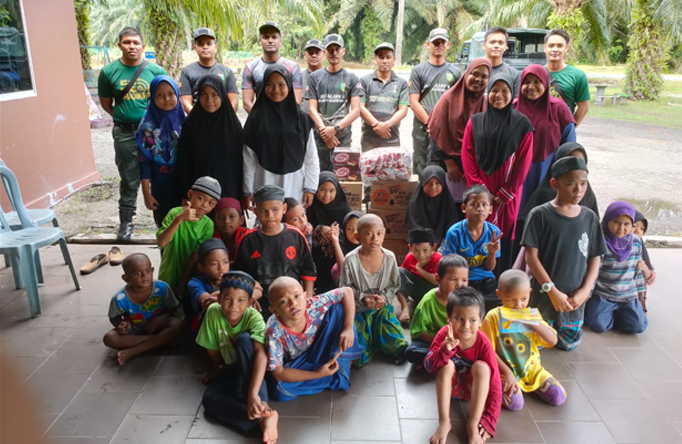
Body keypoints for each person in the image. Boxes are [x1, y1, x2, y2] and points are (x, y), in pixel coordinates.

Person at [522, 156, 606, 351]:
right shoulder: (539, 215)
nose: (579, 190)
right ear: (554, 184)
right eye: (571, 184)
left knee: (568, 345)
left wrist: (585, 290)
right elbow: (531, 257)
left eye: (583, 184)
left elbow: (595, 256)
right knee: (537, 344)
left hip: (574, 299)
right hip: (545, 295)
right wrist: (552, 291)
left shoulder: (589, 217)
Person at [98, 27, 166, 240]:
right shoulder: (109, 72)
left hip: (152, 132)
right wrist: (127, 117)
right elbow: (108, 105)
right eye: (127, 42)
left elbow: (164, 101)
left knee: (160, 173)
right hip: (124, 133)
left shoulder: (156, 71)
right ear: (120, 45)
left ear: (143, 46)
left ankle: (163, 220)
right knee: (129, 178)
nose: (132, 46)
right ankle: (126, 223)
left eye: (136, 43)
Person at [461, 73, 534, 272]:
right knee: (477, 227)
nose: (498, 95)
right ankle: (476, 280)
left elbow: (523, 162)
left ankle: (501, 283)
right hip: (480, 191)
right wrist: (479, 189)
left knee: (503, 233)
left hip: (507, 195)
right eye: (494, 90)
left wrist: (506, 192)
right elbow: (467, 155)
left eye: (504, 91)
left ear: (512, 94)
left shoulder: (523, 124)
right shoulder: (475, 122)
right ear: (487, 92)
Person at [197, 271, 278, 444]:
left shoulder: (254, 317)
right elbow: (211, 348)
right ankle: (263, 418)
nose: (234, 306)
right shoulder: (213, 312)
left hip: (253, 369)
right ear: (219, 299)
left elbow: (261, 355)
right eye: (228, 299)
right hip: (231, 370)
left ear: (250, 302)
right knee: (209, 399)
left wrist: (254, 393)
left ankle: (260, 403)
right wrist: (217, 369)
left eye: (241, 300)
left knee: (244, 340)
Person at [424, 287, 501, 444]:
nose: (466, 326)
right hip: (449, 388)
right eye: (459, 319)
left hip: (473, 392)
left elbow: (495, 383)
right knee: (446, 366)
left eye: (473, 320)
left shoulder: (484, 343)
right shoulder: (444, 334)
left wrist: (489, 420)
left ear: (481, 320)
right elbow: (429, 366)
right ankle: (444, 422)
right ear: (449, 318)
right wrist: (445, 350)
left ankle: (472, 425)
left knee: (483, 368)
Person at [265, 277, 362, 401]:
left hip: (320, 346)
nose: (293, 304)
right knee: (280, 389)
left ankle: (338, 366)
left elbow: (346, 292)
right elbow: (279, 373)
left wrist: (348, 328)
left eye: (297, 296)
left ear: (305, 296)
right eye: (283, 301)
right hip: (300, 362)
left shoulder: (314, 304)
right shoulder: (274, 332)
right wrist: (316, 374)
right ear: (274, 310)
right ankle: (333, 373)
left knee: (338, 309)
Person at [481, 269, 566, 411]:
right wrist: (507, 373)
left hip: (532, 370)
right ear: (499, 295)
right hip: (504, 372)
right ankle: (495, 385)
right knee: (515, 404)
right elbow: (487, 350)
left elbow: (552, 341)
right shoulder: (493, 317)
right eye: (511, 300)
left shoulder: (532, 316)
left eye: (524, 299)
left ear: (530, 293)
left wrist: (535, 325)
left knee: (559, 396)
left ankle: (529, 386)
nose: (518, 305)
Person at [242, 65, 320, 208]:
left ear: (289, 86)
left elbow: (311, 156)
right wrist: (247, 190)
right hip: (264, 180)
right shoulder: (256, 119)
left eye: (281, 85)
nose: (276, 90)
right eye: (270, 84)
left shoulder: (301, 118)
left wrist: (310, 187)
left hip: (295, 183)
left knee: (292, 221)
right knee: (267, 223)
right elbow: (248, 159)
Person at [233, 185, 316, 317]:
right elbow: (240, 275)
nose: (270, 216)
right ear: (255, 211)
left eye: (275, 210)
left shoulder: (296, 236)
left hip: (293, 305)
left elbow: (308, 272)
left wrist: (308, 302)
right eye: (264, 211)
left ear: (284, 209)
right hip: (260, 307)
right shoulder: (247, 240)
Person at [339, 214, 409, 367]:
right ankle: (370, 344)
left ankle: (383, 342)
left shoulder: (390, 257)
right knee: (355, 353)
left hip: (381, 309)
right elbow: (345, 288)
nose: (375, 238)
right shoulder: (350, 260)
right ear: (358, 236)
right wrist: (362, 297)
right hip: (358, 311)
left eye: (379, 233)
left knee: (396, 342)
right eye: (368, 233)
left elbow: (394, 285)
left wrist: (383, 298)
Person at [427, 58, 491, 207]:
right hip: (445, 165)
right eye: (474, 74)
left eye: (484, 76)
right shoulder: (448, 100)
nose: (478, 79)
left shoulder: (487, 104)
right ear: (466, 74)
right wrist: (450, 164)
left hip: (473, 169)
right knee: (445, 207)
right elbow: (436, 133)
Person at [514, 64, 576, 215]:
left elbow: (569, 148)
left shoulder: (558, 108)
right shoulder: (512, 108)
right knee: (517, 216)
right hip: (517, 174)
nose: (531, 87)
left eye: (537, 82)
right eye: (526, 82)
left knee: (543, 215)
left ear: (545, 83)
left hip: (547, 173)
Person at [103, 253, 183, 366]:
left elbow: (172, 307)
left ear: (152, 270)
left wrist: (159, 319)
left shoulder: (162, 288)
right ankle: (161, 340)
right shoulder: (120, 298)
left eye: (148, 271)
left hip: (159, 325)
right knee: (109, 338)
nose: (144, 276)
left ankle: (133, 351)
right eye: (137, 273)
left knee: (177, 324)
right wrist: (120, 325)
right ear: (126, 278)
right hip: (135, 329)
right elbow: (114, 317)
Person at [176, 74, 244, 200]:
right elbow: (183, 161)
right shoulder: (191, 124)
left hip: (228, 189)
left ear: (222, 95)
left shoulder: (232, 126)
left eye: (214, 94)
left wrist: (242, 194)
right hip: (198, 190)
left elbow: (240, 163)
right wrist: (184, 193)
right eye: (203, 94)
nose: (209, 100)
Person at [585, 202, 648, 334]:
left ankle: (620, 314)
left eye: (627, 224)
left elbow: (637, 269)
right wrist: (588, 294)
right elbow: (595, 271)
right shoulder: (600, 241)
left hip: (627, 295)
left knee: (639, 327)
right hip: (604, 294)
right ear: (607, 220)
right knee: (598, 325)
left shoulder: (636, 242)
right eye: (616, 222)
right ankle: (611, 313)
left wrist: (641, 294)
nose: (621, 228)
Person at [409, 28, 462, 175]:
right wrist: (430, 124)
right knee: (422, 167)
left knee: (443, 171)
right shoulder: (418, 70)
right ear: (428, 45)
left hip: (446, 131)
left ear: (448, 45)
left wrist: (441, 127)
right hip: (422, 129)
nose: (439, 45)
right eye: (435, 43)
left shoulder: (456, 72)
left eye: (442, 42)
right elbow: (413, 102)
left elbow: (458, 103)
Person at [135, 75, 186, 227]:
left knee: (185, 230)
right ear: (152, 97)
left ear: (177, 94)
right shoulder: (147, 127)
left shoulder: (186, 122)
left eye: (171, 94)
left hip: (184, 186)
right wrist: (146, 194)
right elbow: (144, 163)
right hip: (160, 187)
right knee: (165, 227)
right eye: (160, 95)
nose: (167, 99)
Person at [308, 34, 363, 171]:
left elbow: (356, 110)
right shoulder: (315, 78)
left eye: (337, 49)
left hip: (342, 138)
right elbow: (312, 108)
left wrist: (335, 129)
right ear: (324, 52)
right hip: (321, 137)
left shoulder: (352, 79)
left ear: (343, 51)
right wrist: (324, 132)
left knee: (343, 177)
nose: (334, 53)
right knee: (319, 177)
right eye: (330, 49)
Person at [443, 185, 502, 311]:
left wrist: (492, 253)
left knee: (503, 298)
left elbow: (489, 268)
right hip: (463, 279)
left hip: (486, 279)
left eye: (484, 205)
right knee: (462, 301)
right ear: (464, 208)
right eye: (474, 204)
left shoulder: (494, 232)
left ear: (490, 209)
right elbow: (449, 266)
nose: (480, 209)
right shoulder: (455, 232)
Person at [157, 176, 219, 293]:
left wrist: (183, 282)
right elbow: (161, 242)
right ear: (190, 195)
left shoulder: (208, 225)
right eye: (201, 198)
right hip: (168, 271)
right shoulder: (175, 213)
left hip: (189, 275)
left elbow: (196, 255)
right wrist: (179, 220)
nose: (205, 205)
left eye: (211, 203)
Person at [405, 254, 469, 364]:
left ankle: (442, 359)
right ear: (438, 279)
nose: (460, 285)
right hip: (434, 341)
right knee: (412, 352)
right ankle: (450, 359)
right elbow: (419, 332)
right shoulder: (428, 301)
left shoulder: (467, 301)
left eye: (464, 280)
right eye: (453, 279)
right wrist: (444, 343)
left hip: (459, 341)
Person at [520, 142, 599, 223]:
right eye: (570, 162)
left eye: (580, 162)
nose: (578, 189)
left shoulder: (587, 194)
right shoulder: (543, 195)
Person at [242, 21, 303, 113]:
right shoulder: (250, 68)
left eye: (274, 37)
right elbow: (247, 103)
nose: (270, 40)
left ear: (280, 41)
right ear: (259, 41)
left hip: (286, 121)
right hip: (260, 122)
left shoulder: (292, 67)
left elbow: (296, 101)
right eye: (266, 37)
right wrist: (260, 121)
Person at [359, 42, 409, 152]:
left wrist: (387, 125)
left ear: (394, 60)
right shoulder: (364, 81)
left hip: (392, 139)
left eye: (388, 57)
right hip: (369, 139)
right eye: (381, 57)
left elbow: (403, 110)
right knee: (368, 169)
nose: (385, 60)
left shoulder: (402, 83)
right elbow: (360, 108)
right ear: (375, 59)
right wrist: (377, 125)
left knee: (390, 169)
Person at [308, 172, 352, 293]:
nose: (327, 194)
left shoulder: (343, 209)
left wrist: (334, 232)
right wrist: (319, 228)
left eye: (332, 190)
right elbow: (303, 227)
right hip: (315, 257)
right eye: (322, 189)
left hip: (336, 258)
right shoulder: (310, 207)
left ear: (337, 191)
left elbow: (350, 233)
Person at [179, 27, 239, 114]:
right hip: (198, 123)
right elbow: (186, 103)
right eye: (200, 44)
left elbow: (234, 103)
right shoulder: (187, 72)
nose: (205, 47)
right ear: (195, 48)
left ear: (215, 47)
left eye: (208, 43)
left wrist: (220, 120)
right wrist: (201, 120)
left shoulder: (227, 72)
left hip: (222, 122)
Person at [544, 29, 590, 126]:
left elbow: (584, 107)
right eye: (551, 45)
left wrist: (571, 129)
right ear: (545, 48)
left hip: (563, 130)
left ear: (566, 48)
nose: (555, 49)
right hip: (540, 130)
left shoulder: (578, 75)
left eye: (560, 46)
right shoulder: (536, 73)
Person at [406, 165, 461, 247]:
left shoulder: (448, 204)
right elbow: (415, 228)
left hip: (444, 244)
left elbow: (451, 229)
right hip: (420, 243)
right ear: (422, 183)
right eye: (428, 183)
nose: (433, 187)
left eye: (438, 183)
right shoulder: (415, 203)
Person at [186, 238, 230, 332]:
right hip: (206, 326)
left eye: (225, 262)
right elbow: (206, 301)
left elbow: (256, 288)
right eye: (214, 264)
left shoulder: (233, 276)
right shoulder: (195, 282)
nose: (221, 268)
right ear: (201, 268)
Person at [398, 228, 442, 318]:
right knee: (398, 271)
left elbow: (436, 281)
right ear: (410, 248)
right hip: (415, 290)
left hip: (431, 292)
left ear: (433, 247)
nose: (421, 255)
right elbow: (400, 279)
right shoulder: (409, 257)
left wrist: (419, 268)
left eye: (425, 250)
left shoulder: (438, 258)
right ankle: (405, 307)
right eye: (416, 250)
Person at [482, 27, 520, 98]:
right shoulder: (474, 72)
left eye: (500, 43)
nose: (496, 46)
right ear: (484, 46)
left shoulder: (513, 74)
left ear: (506, 47)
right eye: (492, 42)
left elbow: (515, 102)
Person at [330, 210, 363, 286]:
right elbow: (343, 269)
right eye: (349, 229)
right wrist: (335, 241)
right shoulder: (342, 243)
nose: (354, 232)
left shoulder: (369, 245)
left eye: (358, 228)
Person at [632, 210, 655, 312]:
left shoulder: (639, 247)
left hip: (633, 296)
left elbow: (650, 278)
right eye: (634, 225)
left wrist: (645, 268)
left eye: (642, 229)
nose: (638, 231)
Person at [212, 197, 248, 262]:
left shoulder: (249, 237)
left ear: (241, 220)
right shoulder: (208, 236)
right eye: (220, 217)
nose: (226, 221)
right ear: (215, 221)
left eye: (232, 217)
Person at [301, 39, 325, 115]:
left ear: (324, 55)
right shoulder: (297, 78)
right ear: (305, 56)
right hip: (302, 124)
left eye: (317, 53)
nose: (314, 55)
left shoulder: (331, 77)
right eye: (310, 52)